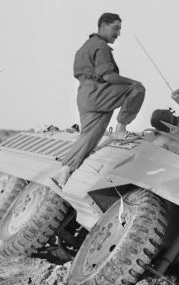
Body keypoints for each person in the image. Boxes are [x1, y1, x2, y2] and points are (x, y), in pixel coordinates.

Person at [52, 12, 145, 187]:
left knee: (89, 137)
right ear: (103, 26)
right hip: (96, 92)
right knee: (137, 89)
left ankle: (64, 171)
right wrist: (134, 82)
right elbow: (108, 76)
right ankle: (121, 129)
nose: (118, 34)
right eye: (115, 28)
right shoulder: (100, 46)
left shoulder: (85, 46)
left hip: (85, 94)